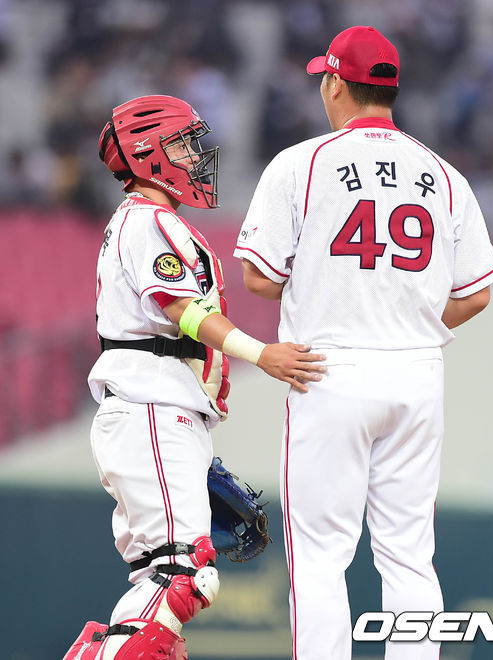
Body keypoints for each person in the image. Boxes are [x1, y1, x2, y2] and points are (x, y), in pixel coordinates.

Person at [234, 26, 493, 660]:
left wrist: (330, 283)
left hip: (327, 369)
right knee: (409, 554)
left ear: (335, 84)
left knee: (320, 557)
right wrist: (413, 322)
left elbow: (259, 278)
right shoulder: (444, 173)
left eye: (323, 79)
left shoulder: (302, 163)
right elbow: (477, 294)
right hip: (416, 372)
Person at [62, 95, 326, 660]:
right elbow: (183, 309)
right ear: (147, 153)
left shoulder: (142, 220)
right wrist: (262, 353)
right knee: (184, 573)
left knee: (165, 581)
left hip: (156, 409)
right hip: (151, 406)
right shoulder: (148, 220)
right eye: (182, 144)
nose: (195, 155)